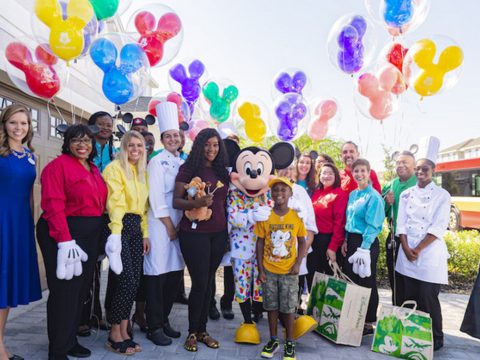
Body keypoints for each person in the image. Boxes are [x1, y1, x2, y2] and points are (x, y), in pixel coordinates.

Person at [37, 124, 107, 360]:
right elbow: (53, 205)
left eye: (87, 140)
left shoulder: (93, 167)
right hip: (63, 233)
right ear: (67, 143)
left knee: (80, 291)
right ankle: (57, 350)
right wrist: (65, 241)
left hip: (88, 236)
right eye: (76, 140)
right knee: (64, 292)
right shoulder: (57, 167)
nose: (82, 144)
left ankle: (69, 341)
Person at [173, 128, 230, 352]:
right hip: (194, 234)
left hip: (218, 234)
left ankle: (203, 330)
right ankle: (192, 332)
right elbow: (177, 201)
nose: (211, 149)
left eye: (216, 145)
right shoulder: (188, 169)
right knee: (199, 284)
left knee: (208, 284)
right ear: (199, 146)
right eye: (207, 144)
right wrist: (197, 204)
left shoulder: (222, 172)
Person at [0, 104, 42, 360]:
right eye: (13, 122)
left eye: (23, 123)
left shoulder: (29, 155)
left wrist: (31, 223)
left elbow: (29, 194)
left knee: (6, 287)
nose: (18, 128)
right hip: (1, 221)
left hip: (20, 224)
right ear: (4, 124)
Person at [395, 158, 450, 351]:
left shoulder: (442, 195)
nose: (420, 172)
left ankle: (435, 338)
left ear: (433, 170)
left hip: (429, 254)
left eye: (424, 169)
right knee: (409, 296)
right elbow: (400, 223)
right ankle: (411, 335)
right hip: (406, 251)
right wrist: (406, 246)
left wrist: (418, 249)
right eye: (417, 169)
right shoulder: (406, 194)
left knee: (428, 297)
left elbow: (439, 225)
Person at [103, 131, 150, 355]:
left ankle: (123, 329)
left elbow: (144, 208)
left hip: (136, 227)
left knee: (134, 280)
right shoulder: (114, 168)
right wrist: (115, 233)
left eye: (139, 146)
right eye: (130, 145)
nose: (135, 150)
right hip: (119, 226)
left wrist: (145, 234)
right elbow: (116, 203)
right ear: (123, 147)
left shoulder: (141, 172)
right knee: (125, 280)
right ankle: (114, 332)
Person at [144, 103, 185, 346]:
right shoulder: (157, 162)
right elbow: (156, 197)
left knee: (174, 274)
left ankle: (165, 319)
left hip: (179, 224)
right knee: (157, 275)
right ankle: (154, 325)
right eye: (167, 136)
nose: (172, 139)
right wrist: (169, 226)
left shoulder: (182, 163)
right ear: (162, 139)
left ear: (181, 139)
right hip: (160, 225)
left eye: (175, 136)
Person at [255, 177, 307, 360]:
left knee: (288, 308)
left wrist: (298, 263)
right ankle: (273, 339)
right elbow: (260, 243)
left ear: (290, 193)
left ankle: (290, 342)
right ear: (271, 193)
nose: (279, 193)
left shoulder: (296, 216)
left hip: (288, 272)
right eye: (275, 190)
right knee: (271, 306)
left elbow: (302, 241)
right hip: (269, 271)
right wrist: (261, 269)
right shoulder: (266, 216)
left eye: (283, 190)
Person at [78, 111, 117, 337]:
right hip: (87, 215)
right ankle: (84, 317)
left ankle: (100, 313)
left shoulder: (115, 151)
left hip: (109, 216)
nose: (105, 128)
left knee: (108, 267)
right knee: (88, 268)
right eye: (101, 124)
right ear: (91, 127)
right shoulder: (84, 151)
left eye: (109, 124)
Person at [341, 158, 384, 336]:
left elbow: (373, 225)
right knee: (351, 279)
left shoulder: (373, 196)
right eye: (356, 171)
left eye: (362, 171)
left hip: (366, 243)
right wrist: (345, 240)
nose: (359, 174)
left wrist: (364, 248)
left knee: (367, 280)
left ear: (368, 172)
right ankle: (353, 317)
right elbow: (349, 219)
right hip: (351, 240)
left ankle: (368, 321)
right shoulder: (352, 194)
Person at [382, 151, 416, 305]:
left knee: (413, 282)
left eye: (405, 162)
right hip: (394, 239)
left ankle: (415, 318)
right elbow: (381, 213)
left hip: (415, 239)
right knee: (395, 280)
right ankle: (397, 313)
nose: (401, 165)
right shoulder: (390, 185)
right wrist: (386, 202)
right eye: (398, 163)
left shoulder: (420, 182)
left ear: (414, 165)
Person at [307, 162, 348, 289]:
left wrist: (333, 247)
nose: (327, 176)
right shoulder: (316, 193)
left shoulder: (339, 194)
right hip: (314, 240)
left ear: (336, 176)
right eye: (324, 173)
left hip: (329, 241)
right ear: (319, 176)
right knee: (313, 278)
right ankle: (313, 308)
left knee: (330, 282)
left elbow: (340, 222)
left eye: (331, 173)